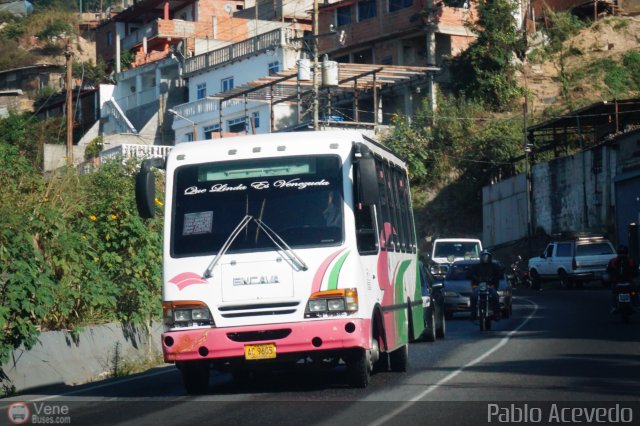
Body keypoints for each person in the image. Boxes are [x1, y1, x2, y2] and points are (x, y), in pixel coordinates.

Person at [467, 250, 502, 321]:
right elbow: (469, 274)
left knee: (495, 296)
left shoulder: (494, 266)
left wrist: (492, 279)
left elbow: (499, 274)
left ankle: (496, 313)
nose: (485, 258)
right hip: (479, 286)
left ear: (490, 257)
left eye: (487, 256)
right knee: (473, 296)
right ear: (481, 257)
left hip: (490, 286)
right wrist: (476, 278)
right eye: (484, 256)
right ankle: (473, 313)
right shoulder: (476, 266)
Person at [606, 245, 639, 313]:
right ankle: (635, 305)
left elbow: (608, 271)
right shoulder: (631, 260)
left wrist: (610, 278)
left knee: (614, 293)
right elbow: (636, 272)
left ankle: (615, 306)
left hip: (617, 282)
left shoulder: (612, 261)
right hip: (628, 282)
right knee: (634, 292)